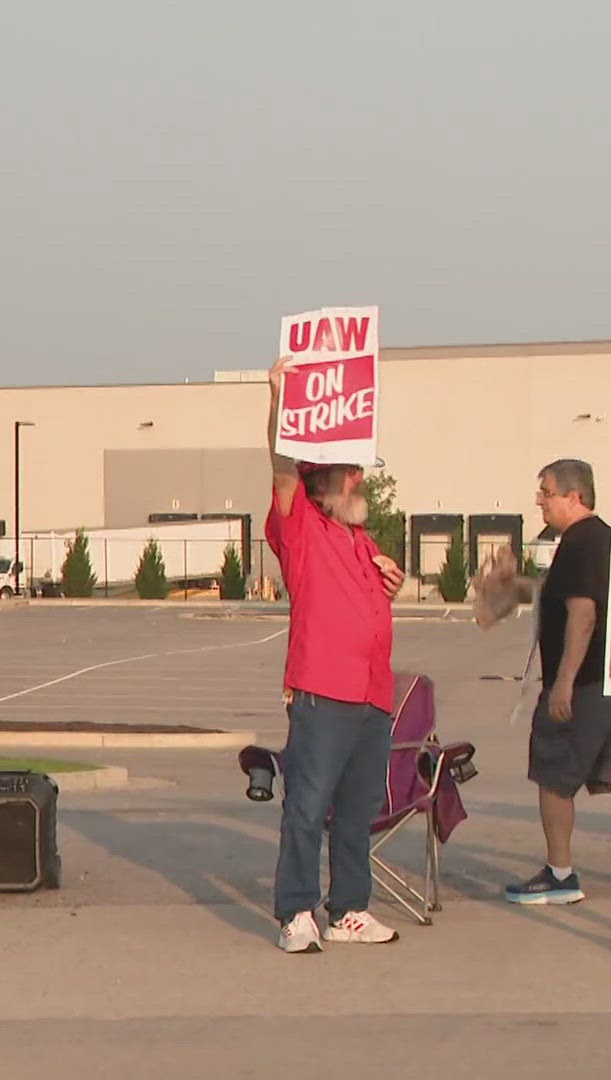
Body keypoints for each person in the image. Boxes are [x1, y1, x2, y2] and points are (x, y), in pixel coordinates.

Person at [265, 353, 407, 954]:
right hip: (324, 691)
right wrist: (278, 398)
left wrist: (392, 586)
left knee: (356, 810)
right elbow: (279, 469)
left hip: (373, 693)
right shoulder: (300, 527)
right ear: (323, 482)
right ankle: (296, 911)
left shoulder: (360, 537)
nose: (361, 481)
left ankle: (348, 908)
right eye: (351, 473)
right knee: (309, 805)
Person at [500, 459, 611, 905]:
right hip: (607, 684)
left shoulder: (580, 543)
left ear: (575, 496)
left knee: (552, 776)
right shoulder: (604, 540)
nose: (540, 500)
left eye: (547, 492)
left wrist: (563, 684)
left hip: (584, 685)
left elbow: (583, 613)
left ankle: (560, 874)